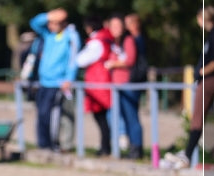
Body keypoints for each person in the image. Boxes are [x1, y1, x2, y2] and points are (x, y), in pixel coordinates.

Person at [165, 6, 214, 169]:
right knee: (197, 117)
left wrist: (201, 72)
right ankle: (188, 153)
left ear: (201, 18)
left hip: (211, 79)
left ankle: (187, 155)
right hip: (210, 79)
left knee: (197, 117)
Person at [29, 8, 80, 151]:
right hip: (43, 82)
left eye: (54, 23)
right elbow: (34, 23)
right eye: (49, 23)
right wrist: (49, 15)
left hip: (58, 83)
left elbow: (72, 60)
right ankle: (43, 144)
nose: (50, 25)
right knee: (41, 114)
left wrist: (69, 79)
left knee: (53, 115)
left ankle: (53, 144)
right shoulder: (48, 35)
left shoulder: (70, 37)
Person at [106, 14, 144, 159]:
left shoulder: (128, 40)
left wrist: (113, 64)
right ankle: (127, 148)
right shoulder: (114, 43)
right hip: (116, 86)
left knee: (131, 117)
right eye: (113, 26)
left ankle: (136, 149)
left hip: (128, 85)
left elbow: (130, 60)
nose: (115, 29)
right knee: (119, 119)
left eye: (118, 26)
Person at [76, 16, 114, 156]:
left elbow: (80, 60)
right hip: (103, 81)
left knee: (101, 117)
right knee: (103, 118)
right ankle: (105, 146)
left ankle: (105, 147)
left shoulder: (96, 42)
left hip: (97, 83)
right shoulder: (107, 39)